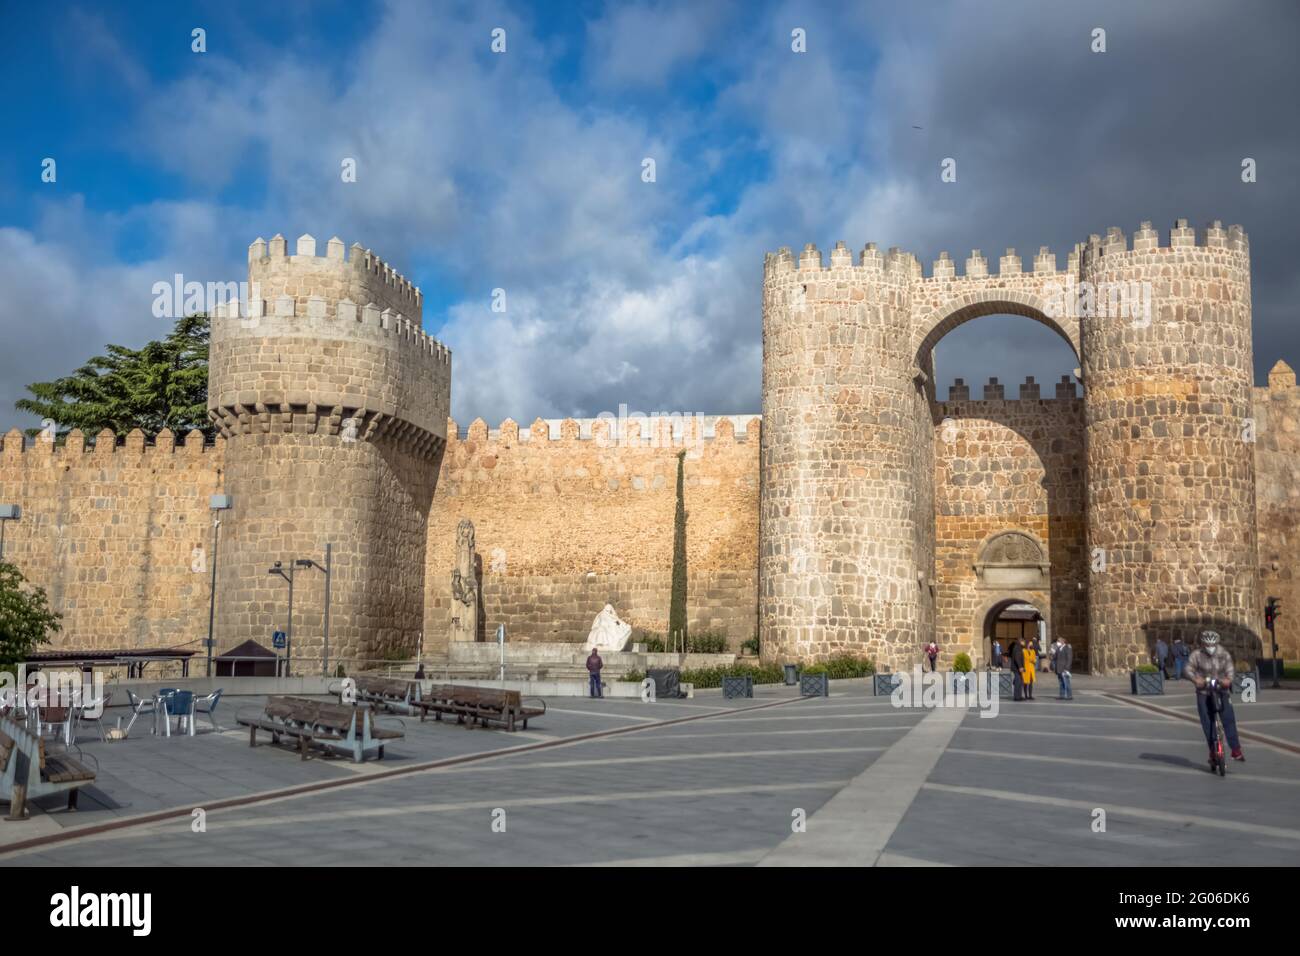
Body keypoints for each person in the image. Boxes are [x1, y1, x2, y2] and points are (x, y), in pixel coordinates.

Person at [1186, 630, 1244, 768]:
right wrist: (1195, 679)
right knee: (1207, 721)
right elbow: (1188, 668)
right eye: (1207, 644)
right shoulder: (1196, 655)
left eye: (1212, 644)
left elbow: (1230, 669)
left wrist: (1228, 680)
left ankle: (1235, 749)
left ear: (1217, 643)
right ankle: (1213, 750)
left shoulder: (1224, 654)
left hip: (1221, 689)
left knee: (1228, 718)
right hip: (1204, 691)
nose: (1210, 647)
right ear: (1203, 643)